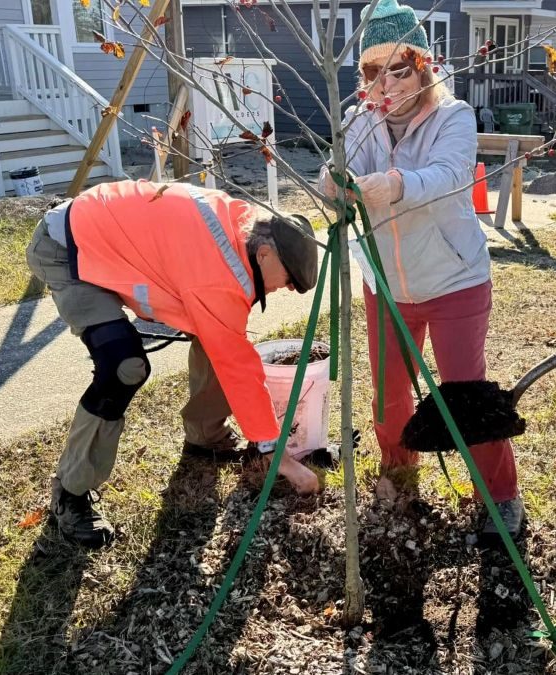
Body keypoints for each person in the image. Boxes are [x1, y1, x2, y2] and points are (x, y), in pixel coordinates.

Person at [319, 0, 524, 537]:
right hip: (385, 285)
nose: (385, 85)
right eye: (372, 72)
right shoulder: (360, 122)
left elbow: (451, 175)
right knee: (389, 396)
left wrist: (398, 184)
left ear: (424, 66)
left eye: (398, 69)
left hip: (454, 281)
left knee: (466, 396)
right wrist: (332, 183)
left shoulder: (454, 115)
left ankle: (499, 496)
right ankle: (399, 475)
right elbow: (345, 171)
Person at [26, 180, 321, 548]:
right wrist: (275, 452)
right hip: (67, 248)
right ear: (264, 254)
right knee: (123, 367)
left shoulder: (243, 227)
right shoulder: (216, 271)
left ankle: (205, 438)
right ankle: (70, 493)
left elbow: (225, 339)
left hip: (115, 242)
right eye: (290, 279)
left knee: (217, 333)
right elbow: (237, 364)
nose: (290, 289)